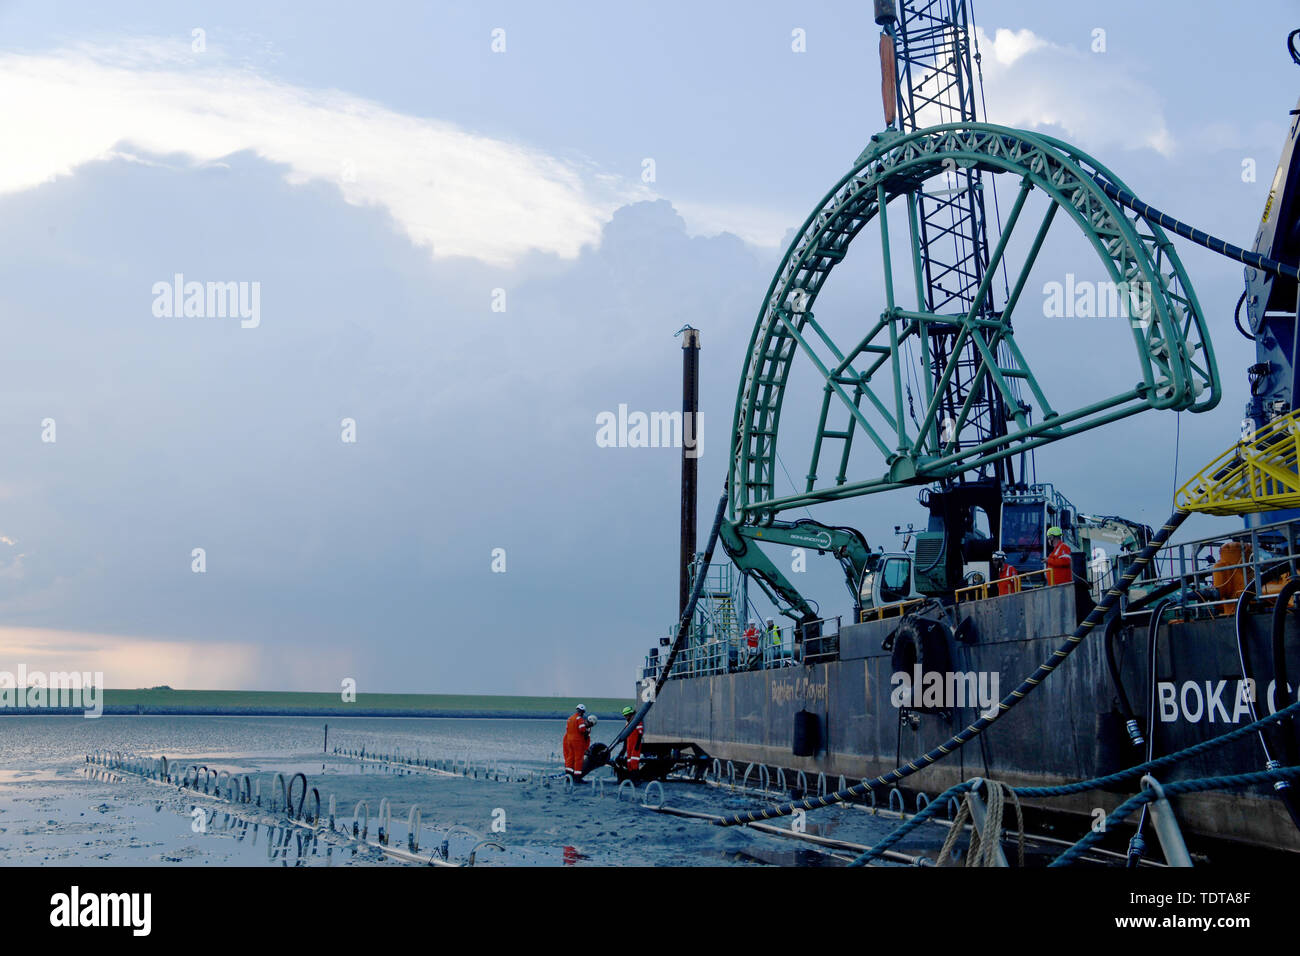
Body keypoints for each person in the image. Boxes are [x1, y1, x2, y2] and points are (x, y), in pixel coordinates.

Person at [562, 704, 590, 781]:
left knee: (570, 757)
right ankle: (577, 777)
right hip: (577, 741)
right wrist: (587, 731)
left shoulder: (570, 719)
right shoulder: (579, 719)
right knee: (578, 758)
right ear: (583, 711)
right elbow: (582, 729)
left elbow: (567, 729)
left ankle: (568, 776)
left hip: (569, 741)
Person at [621, 705, 644, 772]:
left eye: (626, 715)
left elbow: (640, 733)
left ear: (630, 714)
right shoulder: (628, 723)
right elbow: (626, 735)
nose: (625, 717)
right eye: (625, 716)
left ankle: (635, 775)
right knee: (629, 762)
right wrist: (624, 748)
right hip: (629, 745)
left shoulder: (637, 722)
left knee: (634, 761)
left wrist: (637, 745)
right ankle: (631, 774)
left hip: (635, 745)